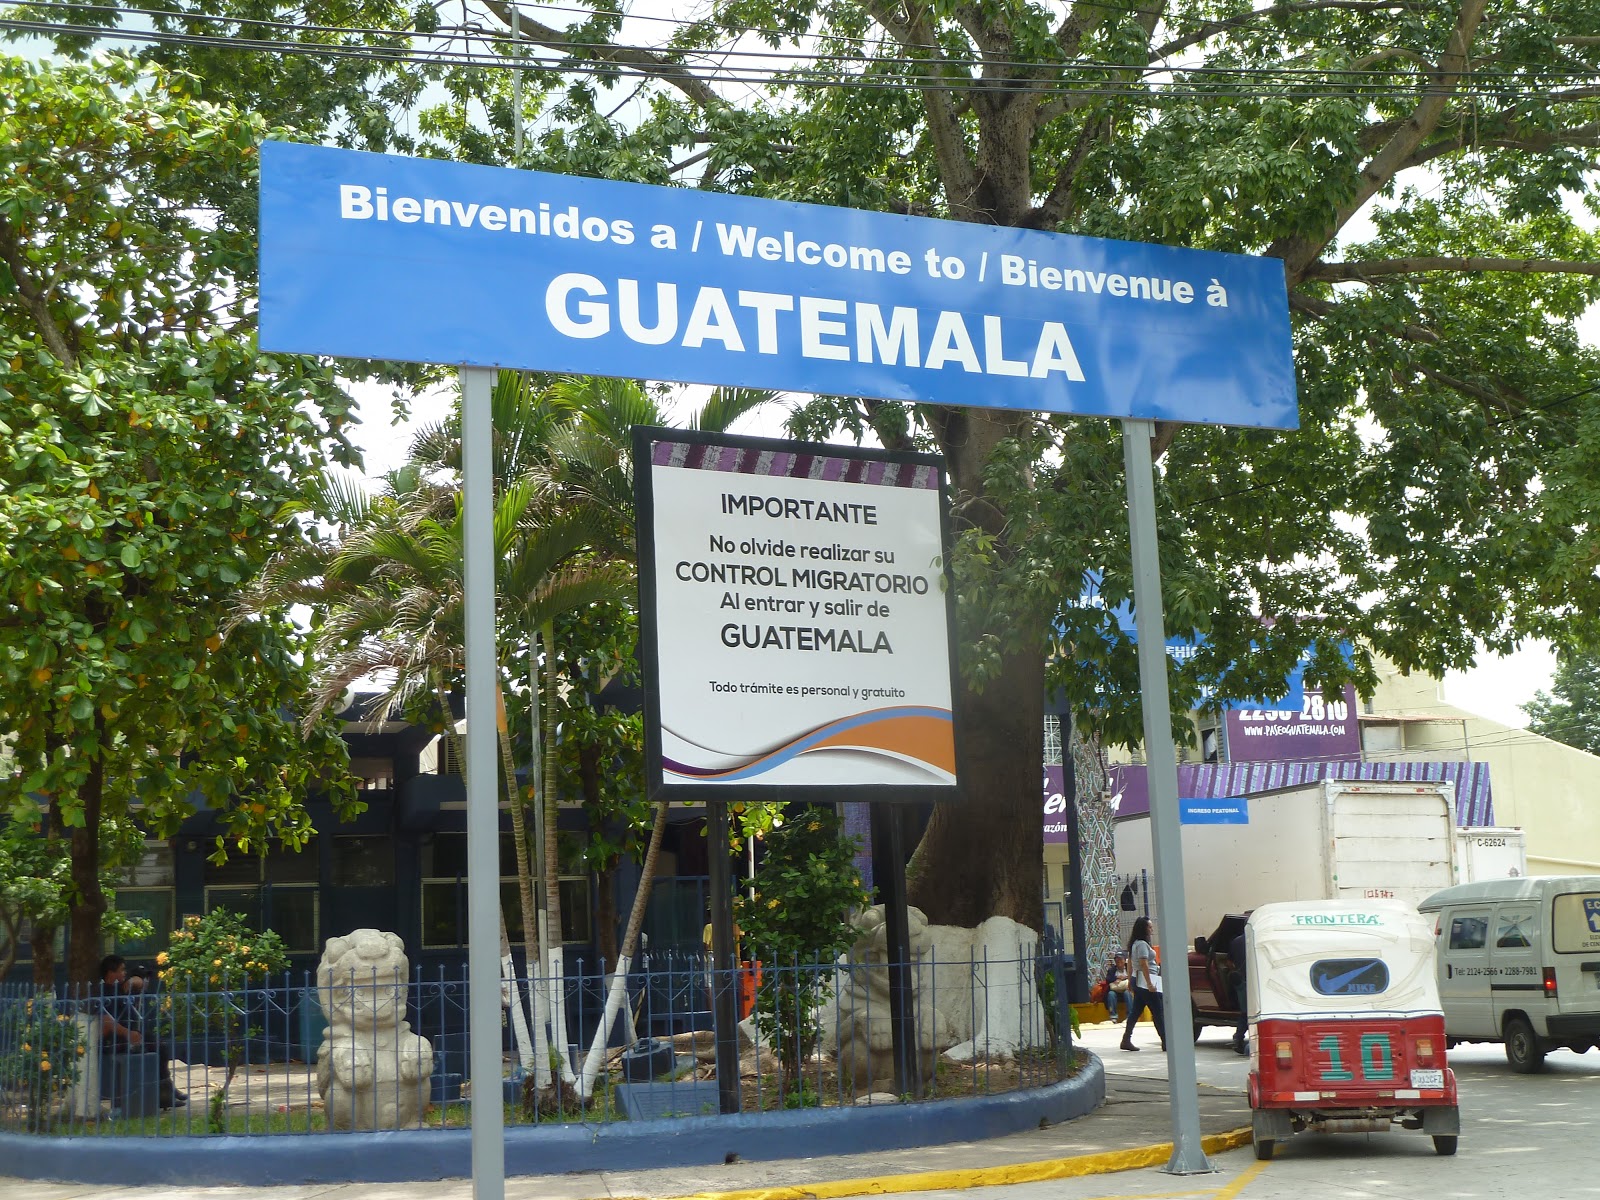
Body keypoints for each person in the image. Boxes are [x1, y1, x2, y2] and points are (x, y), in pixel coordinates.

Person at [98, 954, 186, 1109]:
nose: (124, 973)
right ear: (111, 973)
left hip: (129, 1035)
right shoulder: (105, 992)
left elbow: (140, 983)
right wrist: (128, 1034)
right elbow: (106, 1023)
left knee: (159, 1045)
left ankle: (167, 1089)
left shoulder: (120, 988)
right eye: (121, 970)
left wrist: (134, 980)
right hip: (115, 1040)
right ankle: (164, 1094)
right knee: (156, 1047)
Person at [1121, 917, 1166, 1052]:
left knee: (1136, 1011)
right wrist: (1150, 983)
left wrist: (1130, 980)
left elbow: (1130, 963)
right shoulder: (1141, 944)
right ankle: (1166, 1040)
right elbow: (1143, 963)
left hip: (1139, 980)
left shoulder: (1136, 943)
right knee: (1157, 1011)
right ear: (1143, 929)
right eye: (1149, 927)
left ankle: (1126, 1039)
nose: (1151, 930)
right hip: (1146, 981)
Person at [1229, 929, 1249, 1055]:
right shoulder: (1259, 938)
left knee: (1244, 1011)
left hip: (1241, 981)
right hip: (1258, 981)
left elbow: (1229, 961)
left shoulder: (1235, 941)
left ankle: (1238, 1038)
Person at [1103, 951, 1133, 1023]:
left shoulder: (1129, 968)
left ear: (1124, 960)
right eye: (1116, 960)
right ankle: (1113, 1017)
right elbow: (1108, 979)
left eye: (1120, 959)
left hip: (1126, 988)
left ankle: (1130, 1016)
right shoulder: (1112, 970)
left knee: (1127, 993)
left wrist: (1125, 977)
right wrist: (1116, 978)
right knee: (1111, 994)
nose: (1118, 961)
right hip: (1116, 990)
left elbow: (1134, 977)